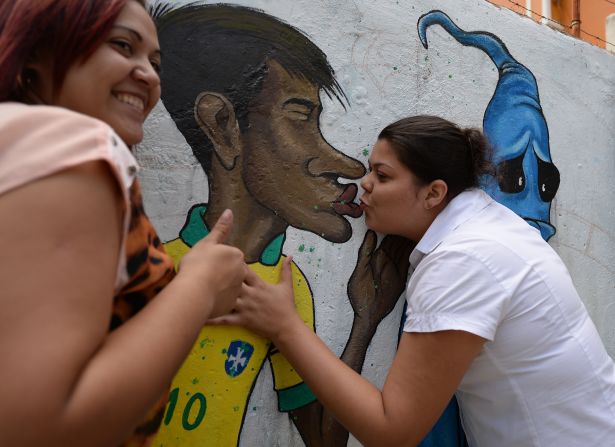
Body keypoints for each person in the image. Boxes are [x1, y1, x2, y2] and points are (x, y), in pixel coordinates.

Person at [215, 115, 615, 446]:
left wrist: (285, 327)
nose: (365, 184)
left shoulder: (463, 260)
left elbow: (392, 430)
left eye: (382, 175)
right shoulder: (488, 226)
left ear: (434, 193)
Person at [150, 4, 418, 446]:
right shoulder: (148, 269)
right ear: (222, 127)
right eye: (300, 118)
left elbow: (324, 440)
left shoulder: (283, 288)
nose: (350, 167)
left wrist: (365, 321)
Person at [0, 1, 246, 446]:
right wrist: (201, 287)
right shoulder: (79, 146)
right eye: (121, 46)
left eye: (154, 62)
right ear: (36, 50)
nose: (149, 76)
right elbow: (41, 428)